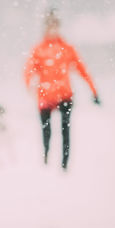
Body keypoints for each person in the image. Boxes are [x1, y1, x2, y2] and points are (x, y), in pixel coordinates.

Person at [24, 9, 100, 169]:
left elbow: (82, 70)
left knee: (65, 130)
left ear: (58, 27)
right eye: (49, 27)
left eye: (55, 26)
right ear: (45, 28)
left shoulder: (67, 48)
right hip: (45, 95)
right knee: (46, 131)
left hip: (65, 94)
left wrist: (94, 91)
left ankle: (64, 164)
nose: (52, 30)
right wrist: (29, 85)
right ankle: (46, 158)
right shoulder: (38, 50)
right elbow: (29, 70)